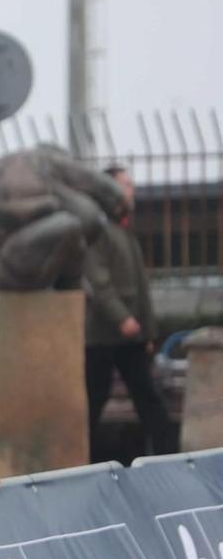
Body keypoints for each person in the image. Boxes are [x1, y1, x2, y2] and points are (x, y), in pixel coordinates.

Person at [85, 164, 173, 460]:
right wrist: (121, 318)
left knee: (149, 400)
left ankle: (165, 457)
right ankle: (85, 461)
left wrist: (147, 332)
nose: (130, 190)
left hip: (130, 336)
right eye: (124, 185)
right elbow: (99, 284)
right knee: (95, 400)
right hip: (103, 335)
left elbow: (141, 290)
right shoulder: (99, 232)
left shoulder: (125, 232)